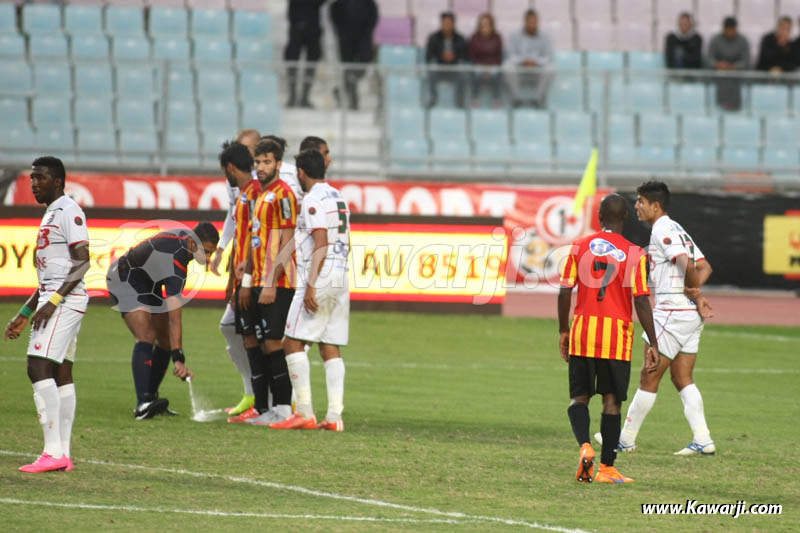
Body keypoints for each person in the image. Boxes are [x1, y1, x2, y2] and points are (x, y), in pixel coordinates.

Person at [599, 181, 716, 456]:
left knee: (648, 375)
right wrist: (694, 297)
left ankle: (624, 439)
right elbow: (704, 265)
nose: (636, 206)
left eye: (640, 201)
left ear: (655, 205)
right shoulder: (676, 228)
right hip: (688, 315)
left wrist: (694, 293)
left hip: (672, 312)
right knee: (682, 377)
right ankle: (703, 438)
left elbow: (688, 265)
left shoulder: (662, 228)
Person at [559, 193, 659, 484]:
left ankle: (585, 446)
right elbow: (641, 300)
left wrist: (563, 330)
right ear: (625, 218)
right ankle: (607, 468)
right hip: (616, 337)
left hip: (583, 332)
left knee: (579, 397)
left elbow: (565, 291)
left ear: (599, 218)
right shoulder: (635, 253)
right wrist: (653, 342)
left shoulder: (578, 246)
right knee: (612, 402)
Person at [4, 157, 89, 473]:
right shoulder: (51, 213)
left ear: (57, 181)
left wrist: (52, 303)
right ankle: (63, 453)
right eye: (31, 178)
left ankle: (52, 452)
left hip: (65, 301)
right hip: (56, 297)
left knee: (37, 366)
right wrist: (26, 311)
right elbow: (50, 275)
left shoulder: (69, 210)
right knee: (61, 372)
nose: (33, 183)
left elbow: (83, 262)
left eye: (39, 177)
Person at [270, 149, 350, 432]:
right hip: (341, 274)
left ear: (301, 173)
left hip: (321, 273)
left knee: (291, 342)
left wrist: (312, 284)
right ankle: (334, 416)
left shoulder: (313, 199)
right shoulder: (337, 196)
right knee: (330, 345)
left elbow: (320, 240)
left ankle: (304, 412)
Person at [106, 222, 219, 419]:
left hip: (149, 283)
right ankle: (143, 405)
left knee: (165, 342)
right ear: (192, 243)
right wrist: (179, 359)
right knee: (147, 335)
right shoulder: (176, 260)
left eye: (212, 253)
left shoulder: (185, 243)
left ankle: (150, 398)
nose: (208, 258)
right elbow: (175, 316)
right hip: (124, 278)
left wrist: (175, 352)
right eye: (206, 252)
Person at [238, 139, 298, 425]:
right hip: (259, 278)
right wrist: (248, 281)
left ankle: (285, 408)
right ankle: (271, 408)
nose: (261, 167)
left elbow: (288, 239)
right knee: (263, 344)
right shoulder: (260, 195)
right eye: (258, 162)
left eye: (267, 162)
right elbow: (255, 241)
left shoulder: (284, 195)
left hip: (280, 281)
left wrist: (273, 282)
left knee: (274, 343)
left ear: (278, 164)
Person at [210, 129, 260, 417]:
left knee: (272, 340)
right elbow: (235, 219)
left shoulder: (270, 185)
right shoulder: (240, 191)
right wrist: (223, 250)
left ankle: (277, 400)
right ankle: (253, 394)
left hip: (263, 272)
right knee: (232, 327)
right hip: (244, 269)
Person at [330, 0, 379, 110]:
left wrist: (366, 32)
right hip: (346, 40)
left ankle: (342, 90)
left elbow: (373, 18)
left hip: (363, 38)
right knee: (347, 68)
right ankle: (353, 100)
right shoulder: (338, 4)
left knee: (365, 61)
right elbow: (335, 17)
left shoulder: (369, 3)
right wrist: (341, 33)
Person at [504, 9, 553, 108]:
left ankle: (537, 99)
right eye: (529, 21)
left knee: (550, 68)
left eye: (534, 22)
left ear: (537, 22)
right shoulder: (514, 35)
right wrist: (523, 61)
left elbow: (548, 57)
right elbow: (510, 55)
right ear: (525, 21)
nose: (532, 24)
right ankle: (517, 98)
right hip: (520, 69)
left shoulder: (545, 37)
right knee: (507, 66)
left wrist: (535, 62)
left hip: (537, 69)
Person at [285, 0, 327, 108]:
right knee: (292, 62)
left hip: (313, 31)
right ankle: (292, 96)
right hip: (296, 29)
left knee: (312, 62)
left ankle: (305, 97)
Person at [425, 11, 469, 108]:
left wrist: (454, 57)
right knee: (431, 70)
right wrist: (442, 57)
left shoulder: (460, 38)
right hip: (439, 69)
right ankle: (433, 97)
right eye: (445, 23)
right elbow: (428, 57)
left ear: (453, 24)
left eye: (449, 23)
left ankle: (459, 100)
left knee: (463, 72)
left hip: (454, 69)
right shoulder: (433, 38)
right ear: (441, 23)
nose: (447, 25)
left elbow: (465, 56)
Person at [707, 17, 750, 111]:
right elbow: (709, 59)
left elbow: (746, 62)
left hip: (737, 80)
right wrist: (718, 64)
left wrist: (733, 67)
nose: (730, 32)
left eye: (732, 30)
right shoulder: (715, 40)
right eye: (728, 30)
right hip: (718, 79)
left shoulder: (742, 41)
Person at [468, 13, 504, 105]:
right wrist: (483, 67)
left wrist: (489, 67)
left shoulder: (497, 38)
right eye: (483, 25)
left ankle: (496, 99)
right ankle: (474, 98)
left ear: (492, 25)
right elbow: (472, 56)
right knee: (475, 73)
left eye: (487, 24)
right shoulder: (474, 38)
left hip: (493, 66)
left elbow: (499, 56)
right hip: (478, 66)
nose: (485, 27)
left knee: (497, 73)